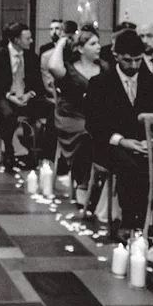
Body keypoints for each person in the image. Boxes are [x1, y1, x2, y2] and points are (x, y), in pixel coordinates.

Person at [85, 29, 153, 232]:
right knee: (129, 165)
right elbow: (94, 124)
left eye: (138, 60)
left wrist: (149, 141)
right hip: (110, 144)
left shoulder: (152, 82)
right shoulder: (100, 84)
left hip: (144, 141)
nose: (134, 66)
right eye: (128, 60)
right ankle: (131, 223)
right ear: (116, 56)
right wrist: (122, 141)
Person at [0, 21, 48, 171]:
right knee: (8, 115)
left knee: (51, 109)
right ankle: (9, 151)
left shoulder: (31, 56)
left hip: (25, 96)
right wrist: (10, 96)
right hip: (4, 96)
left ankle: (41, 152)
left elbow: (37, 83)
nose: (31, 41)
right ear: (16, 40)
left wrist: (29, 94)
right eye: (28, 39)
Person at [47, 27, 101, 195]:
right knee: (87, 135)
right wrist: (62, 42)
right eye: (93, 43)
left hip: (93, 116)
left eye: (98, 43)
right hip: (70, 117)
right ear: (80, 48)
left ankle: (99, 183)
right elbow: (53, 66)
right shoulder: (69, 69)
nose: (99, 46)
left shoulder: (104, 68)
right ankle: (83, 184)